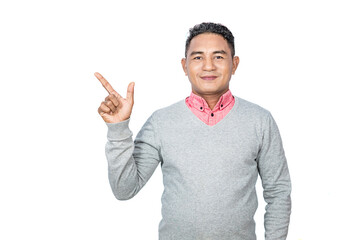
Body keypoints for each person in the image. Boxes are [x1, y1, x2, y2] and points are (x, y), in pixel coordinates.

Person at [95, 22, 291, 240]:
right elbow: (124, 190)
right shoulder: (161, 122)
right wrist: (118, 129)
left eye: (218, 56)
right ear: (184, 65)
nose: (208, 66)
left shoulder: (260, 120)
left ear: (234, 64)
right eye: (198, 57)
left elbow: (278, 192)